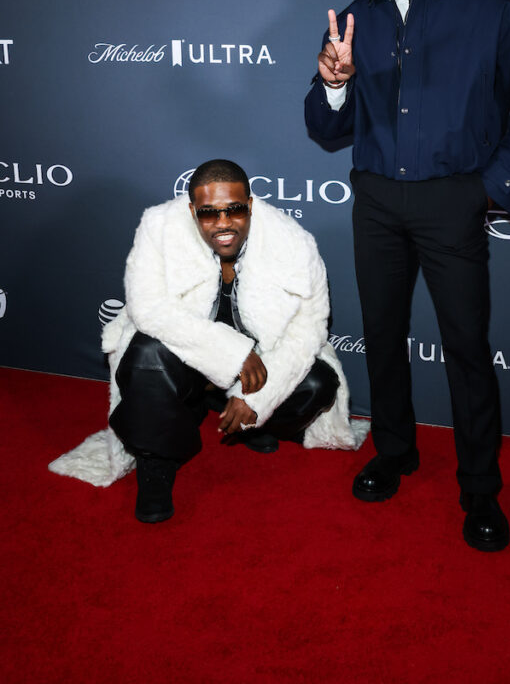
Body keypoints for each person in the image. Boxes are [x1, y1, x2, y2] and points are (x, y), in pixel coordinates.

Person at [305, 0, 510, 552]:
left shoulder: (492, 11)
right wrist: (334, 85)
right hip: (376, 201)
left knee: (467, 348)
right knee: (382, 336)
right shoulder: (353, 18)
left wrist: (488, 189)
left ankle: (479, 488)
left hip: (454, 199)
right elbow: (325, 128)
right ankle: (393, 451)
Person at [50, 159, 366, 522]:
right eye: (208, 213)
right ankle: (157, 461)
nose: (223, 223)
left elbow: (308, 330)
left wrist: (255, 398)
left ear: (250, 204)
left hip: (259, 363)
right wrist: (231, 354)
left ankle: (244, 419)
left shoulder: (293, 244)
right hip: (184, 355)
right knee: (145, 355)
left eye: (235, 210)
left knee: (317, 385)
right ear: (192, 211)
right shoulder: (159, 228)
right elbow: (148, 308)